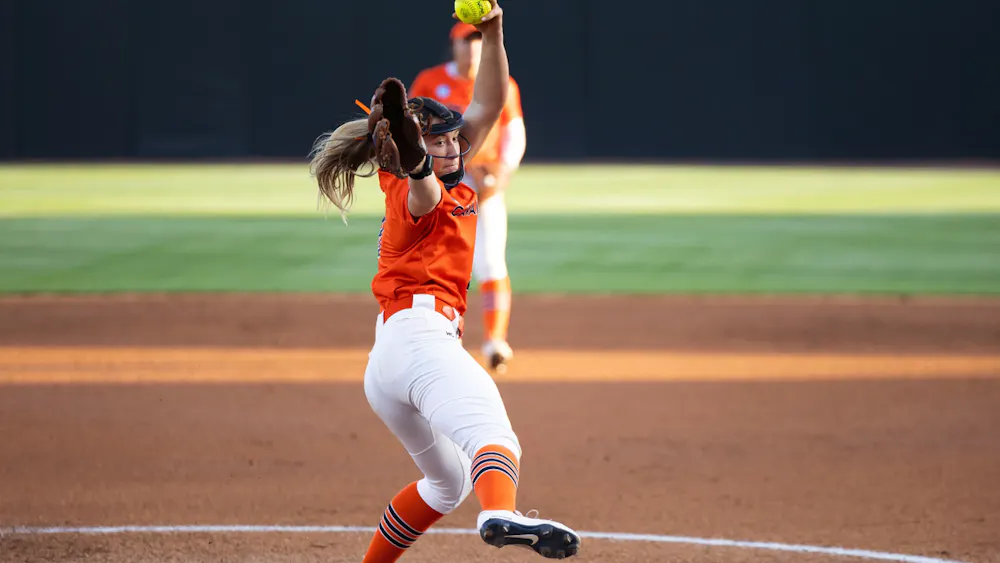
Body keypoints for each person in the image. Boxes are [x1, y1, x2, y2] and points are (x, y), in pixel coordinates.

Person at [307, 2, 580, 561]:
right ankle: (500, 514)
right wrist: (414, 159)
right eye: (439, 143)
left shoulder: (448, 166)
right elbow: (423, 191)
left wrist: (495, 30)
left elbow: (488, 103)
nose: (454, 148)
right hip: (421, 343)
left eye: (456, 141)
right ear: (404, 150)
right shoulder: (408, 189)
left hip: (390, 361)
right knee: (496, 438)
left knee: (446, 484)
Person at [409, 21, 526, 374]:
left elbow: (514, 132)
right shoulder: (430, 81)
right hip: (439, 189)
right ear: (454, 46)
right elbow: (412, 133)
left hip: (485, 187)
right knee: (438, 266)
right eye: (466, 41)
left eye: (477, 40)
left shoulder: (502, 83)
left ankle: (495, 341)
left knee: (490, 262)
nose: (472, 47)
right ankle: (441, 340)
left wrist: (503, 173)